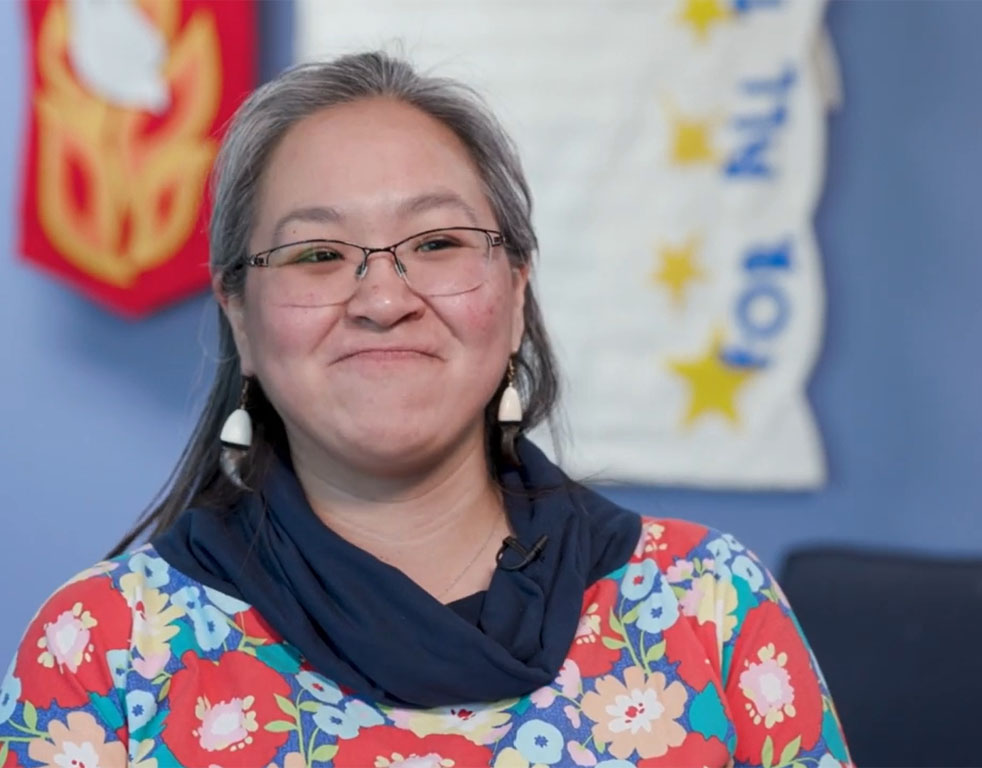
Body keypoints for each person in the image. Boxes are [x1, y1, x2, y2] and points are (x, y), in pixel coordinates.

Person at [0, 52, 851, 768]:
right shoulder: (107, 649)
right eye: (318, 253)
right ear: (242, 320)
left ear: (515, 294)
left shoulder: (710, 606)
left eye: (438, 243)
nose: (382, 299)